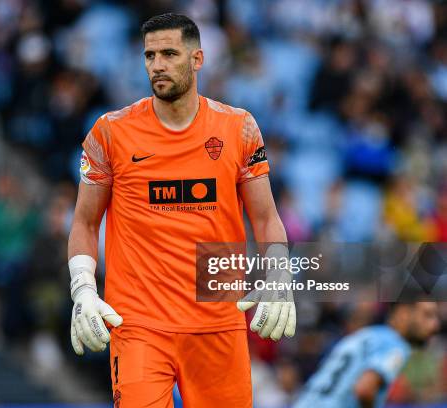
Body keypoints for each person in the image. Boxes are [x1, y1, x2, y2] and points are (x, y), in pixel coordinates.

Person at [67, 13, 295, 407]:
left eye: (169, 53)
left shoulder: (239, 128)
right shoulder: (110, 132)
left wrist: (278, 273)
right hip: (139, 325)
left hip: (217, 319)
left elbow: (265, 217)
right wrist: (83, 288)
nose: (157, 64)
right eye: (149, 55)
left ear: (197, 59)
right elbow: (86, 222)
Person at [293, 302, 440, 408]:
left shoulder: (366, 336)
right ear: (403, 313)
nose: (435, 325)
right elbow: (365, 389)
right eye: (427, 315)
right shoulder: (395, 345)